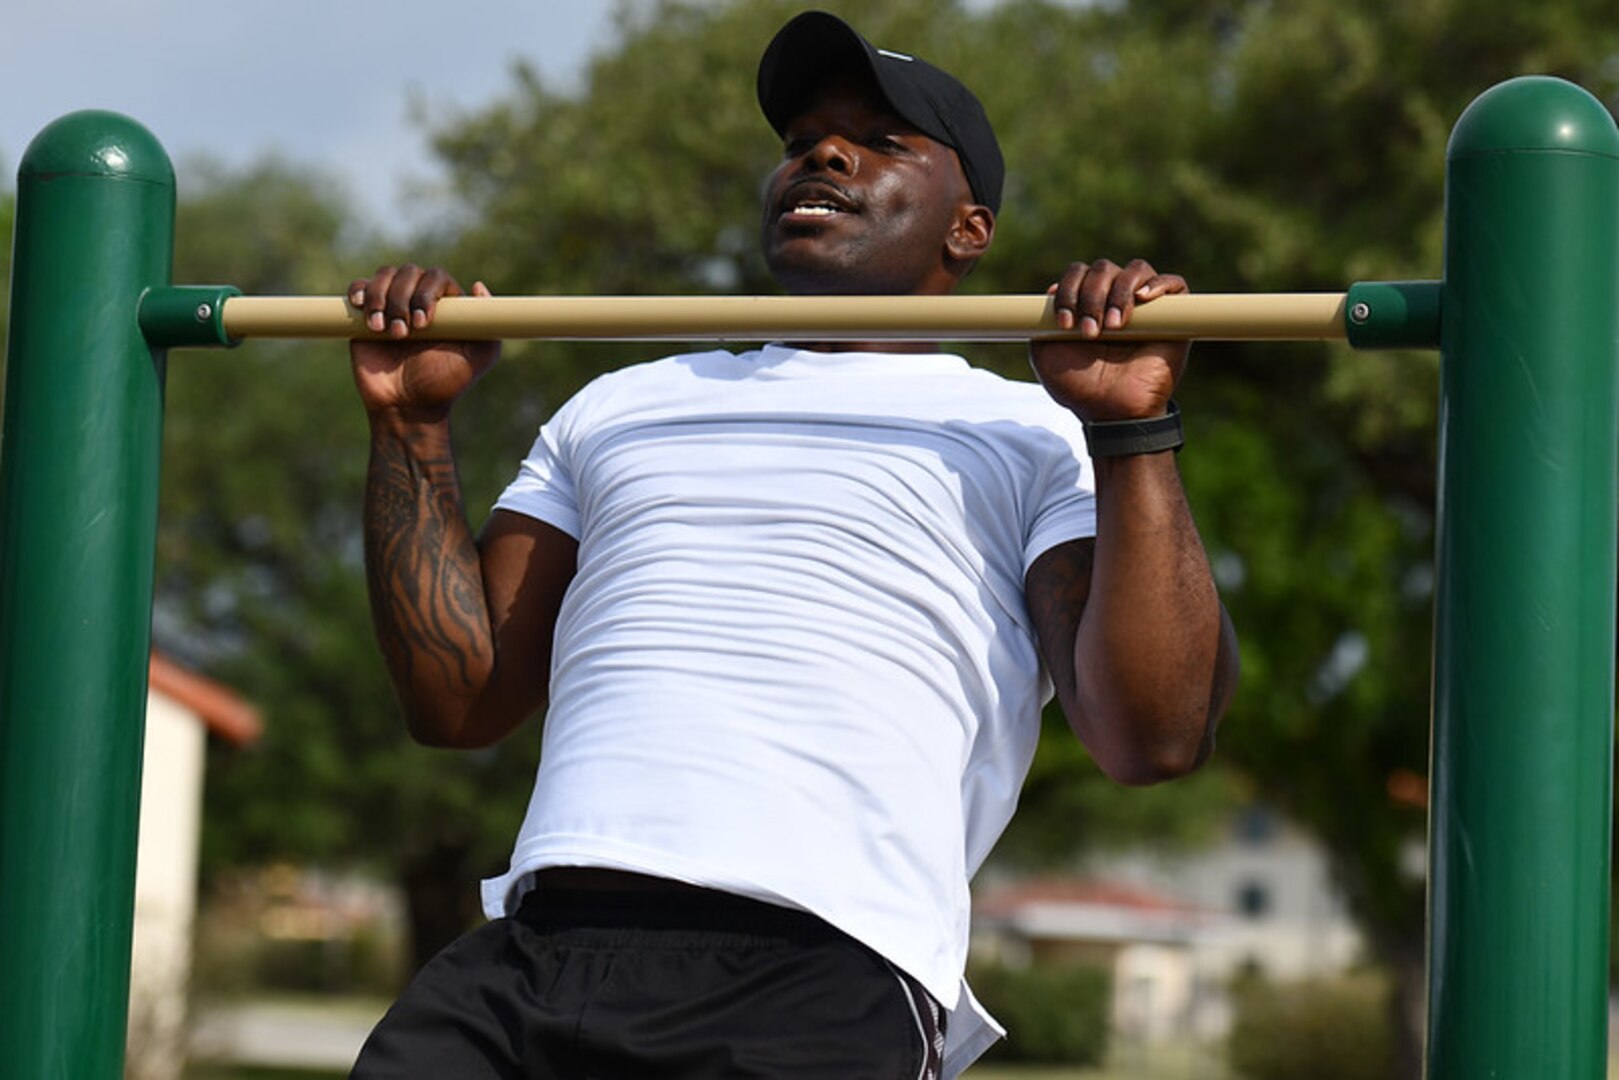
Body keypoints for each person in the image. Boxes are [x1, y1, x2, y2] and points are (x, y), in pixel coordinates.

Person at [345, 10, 1237, 1080]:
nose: (820, 152)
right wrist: (409, 426)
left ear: (969, 230)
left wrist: (1129, 427)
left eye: (880, 139)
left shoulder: (1030, 433)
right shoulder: (620, 404)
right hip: (538, 950)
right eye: (800, 139)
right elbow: (459, 701)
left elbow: (1154, 737)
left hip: (819, 971)